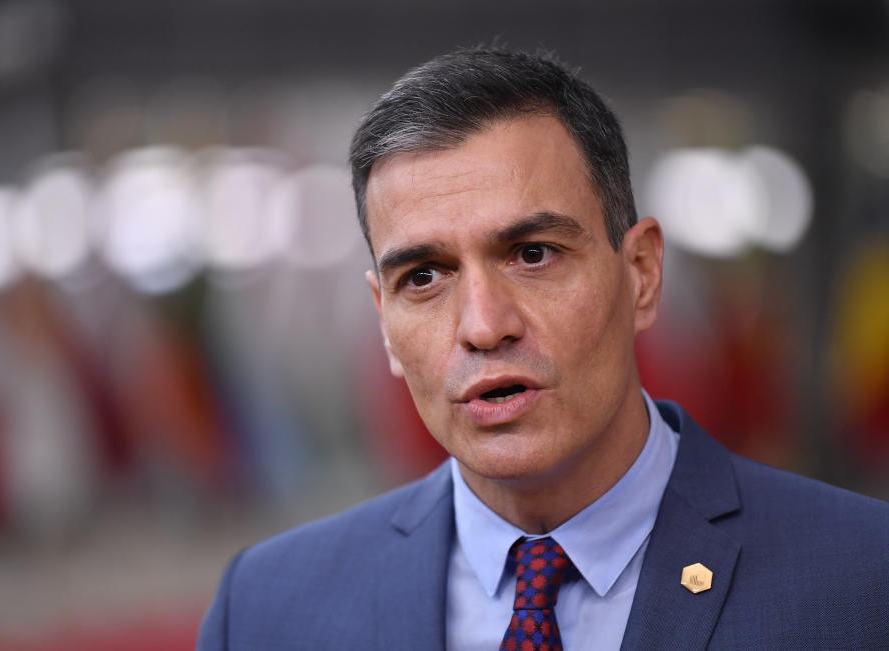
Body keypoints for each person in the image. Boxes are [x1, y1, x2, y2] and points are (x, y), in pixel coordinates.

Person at [197, 48, 889, 650]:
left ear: (643, 273)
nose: (483, 324)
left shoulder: (862, 579)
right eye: (425, 277)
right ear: (384, 323)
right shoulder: (266, 609)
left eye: (533, 253)